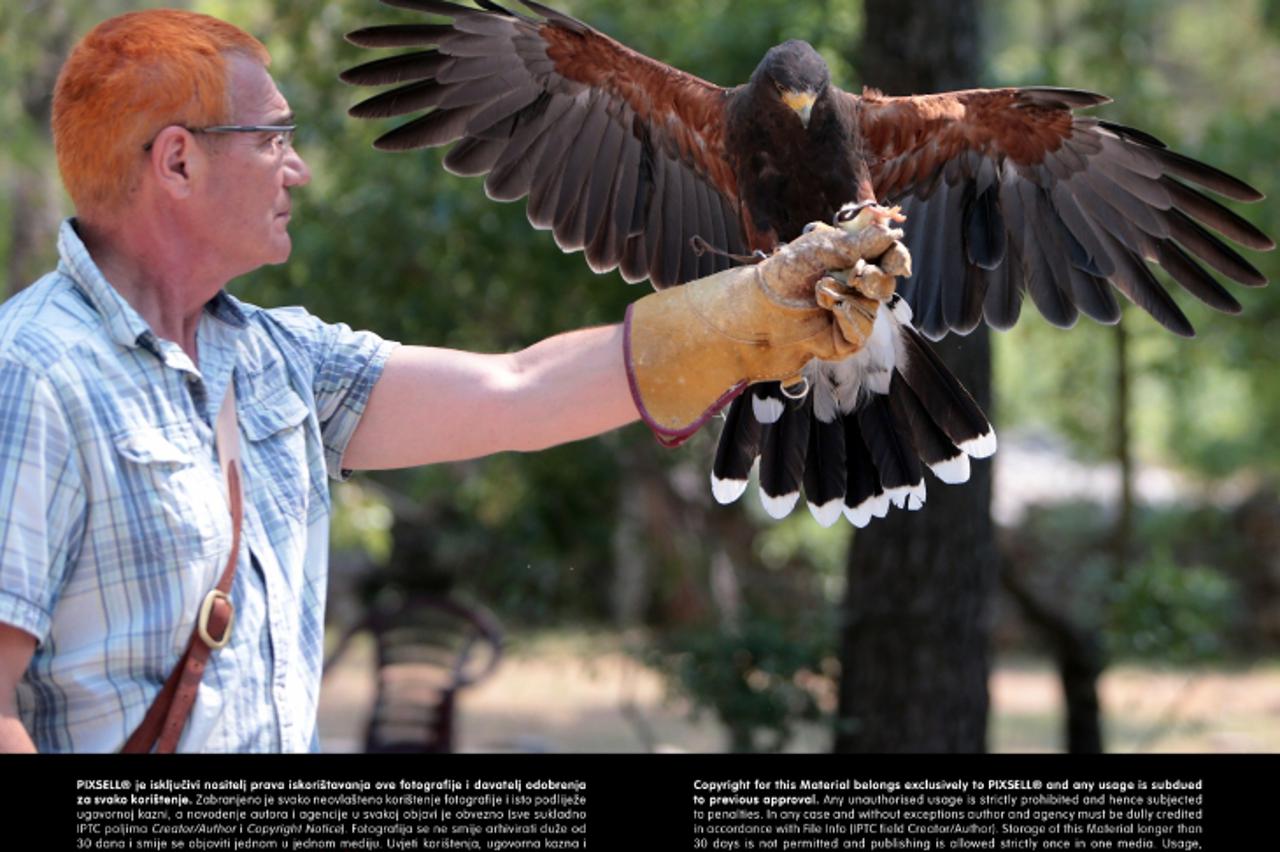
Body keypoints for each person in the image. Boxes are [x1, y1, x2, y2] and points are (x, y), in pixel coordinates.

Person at [0, 9, 898, 752]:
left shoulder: (275, 361)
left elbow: (516, 389)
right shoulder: (31, 375)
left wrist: (749, 319)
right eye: (273, 137)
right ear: (178, 161)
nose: (298, 166)